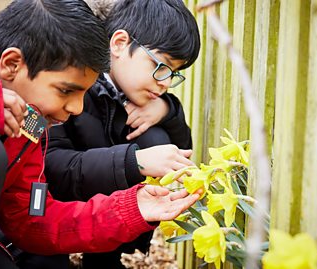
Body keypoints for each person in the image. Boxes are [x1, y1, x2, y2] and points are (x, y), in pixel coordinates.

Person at [0, 1, 200, 269]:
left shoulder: (32, 120)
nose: (76, 108)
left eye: (83, 94)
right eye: (66, 91)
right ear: (12, 64)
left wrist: (133, 208)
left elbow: (31, 218)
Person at [44, 0, 201, 267]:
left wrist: (168, 111)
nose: (164, 83)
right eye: (161, 66)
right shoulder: (69, 83)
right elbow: (53, 166)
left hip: (105, 211)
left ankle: (110, 255)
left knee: (156, 140)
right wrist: (134, 161)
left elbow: (180, 149)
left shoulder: (145, 99)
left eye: (173, 73)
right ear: (119, 44)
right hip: (51, 209)